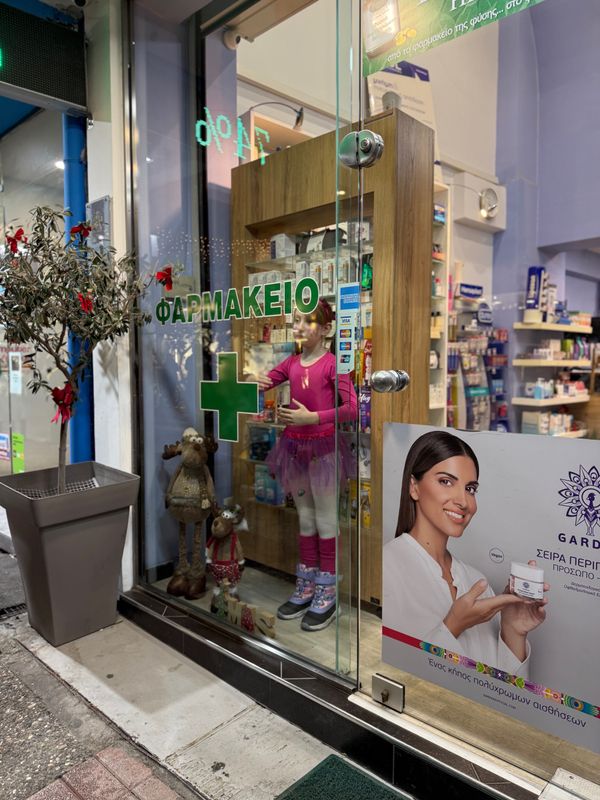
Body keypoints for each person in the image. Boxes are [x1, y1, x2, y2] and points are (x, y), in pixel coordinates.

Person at [383, 430, 548, 676]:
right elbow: (393, 681)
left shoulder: (476, 581)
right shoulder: (387, 567)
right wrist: (453, 626)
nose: (463, 501)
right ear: (414, 487)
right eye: (446, 481)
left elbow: (500, 692)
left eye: (470, 488)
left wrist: (513, 631)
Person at [254, 298, 357, 631]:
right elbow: (263, 380)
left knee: (326, 519)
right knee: (306, 518)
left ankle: (328, 589)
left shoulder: (333, 365)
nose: (298, 327)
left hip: (324, 450)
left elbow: (352, 408)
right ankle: (307, 584)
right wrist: (250, 378)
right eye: (296, 320)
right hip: (294, 448)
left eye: (307, 321)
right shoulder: (291, 363)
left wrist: (312, 417)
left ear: (326, 329)